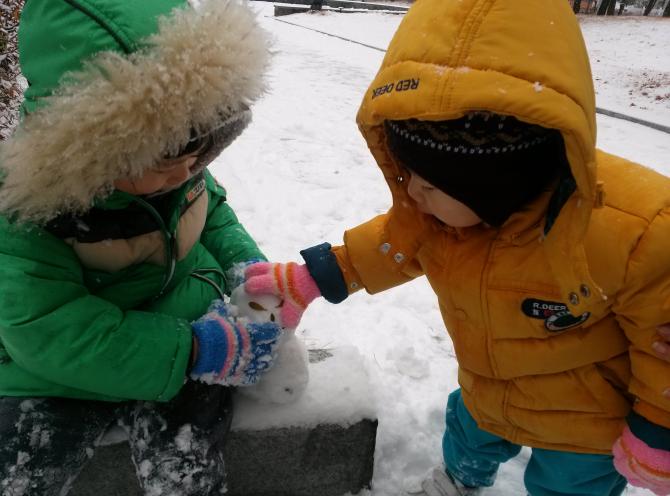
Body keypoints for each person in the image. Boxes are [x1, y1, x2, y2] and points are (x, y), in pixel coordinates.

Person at [241, 0, 670, 495]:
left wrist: (657, 429)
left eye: (430, 181)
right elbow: (388, 245)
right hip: (485, 391)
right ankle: (459, 481)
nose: (412, 191)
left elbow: (661, 340)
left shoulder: (633, 232)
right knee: (466, 437)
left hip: (585, 424)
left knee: (571, 487)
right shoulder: (438, 218)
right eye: (408, 172)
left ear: (493, 184)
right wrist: (311, 279)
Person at [0, 0, 283, 494]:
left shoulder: (178, 169)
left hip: (185, 326)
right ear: (95, 146)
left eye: (201, 150)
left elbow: (212, 213)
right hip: (58, 374)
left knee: (190, 457)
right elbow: (47, 330)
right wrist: (192, 349)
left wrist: (248, 267)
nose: (186, 171)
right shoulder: (26, 213)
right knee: (26, 462)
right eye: (164, 155)